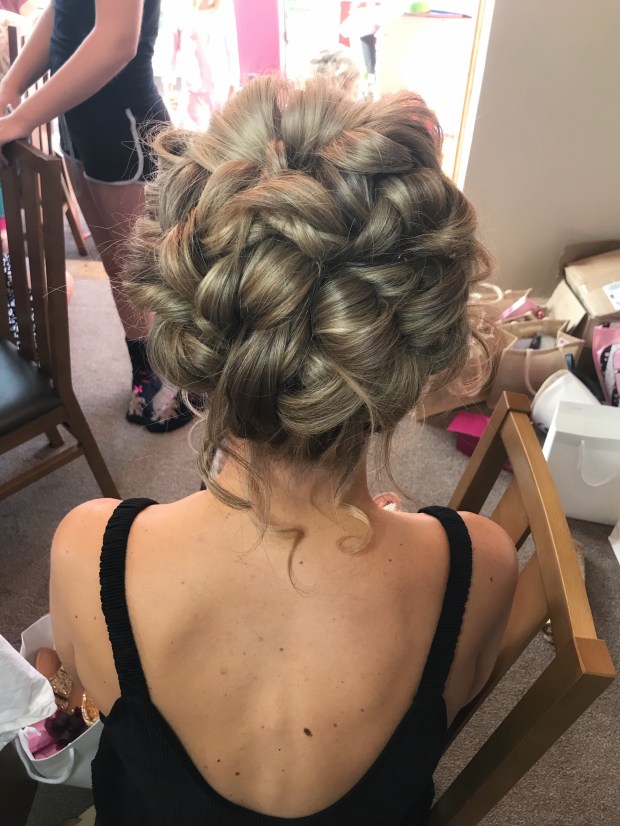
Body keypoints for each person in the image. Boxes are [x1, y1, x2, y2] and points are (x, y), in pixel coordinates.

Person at [49, 76, 518, 824]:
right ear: (410, 349)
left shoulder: (90, 550)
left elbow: (80, 692)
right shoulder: (481, 565)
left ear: (189, 324)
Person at [0, 0, 191, 432]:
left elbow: (118, 40)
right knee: (117, 264)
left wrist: (21, 119)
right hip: (77, 118)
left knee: (149, 268)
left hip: (122, 121)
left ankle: (184, 377)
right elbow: (64, 8)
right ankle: (146, 369)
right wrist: (12, 84)